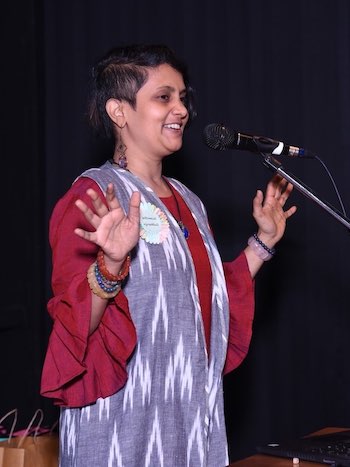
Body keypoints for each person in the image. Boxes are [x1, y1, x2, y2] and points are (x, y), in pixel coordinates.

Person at [40, 43, 297, 467]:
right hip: (123, 426)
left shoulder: (189, 201)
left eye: (182, 98)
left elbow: (202, 308)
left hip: (187, 421)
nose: (181, 109)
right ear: (119, 112)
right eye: (164, 97)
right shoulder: (94, 197)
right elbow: (75, 329)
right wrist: (111, 265)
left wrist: (262, 244)